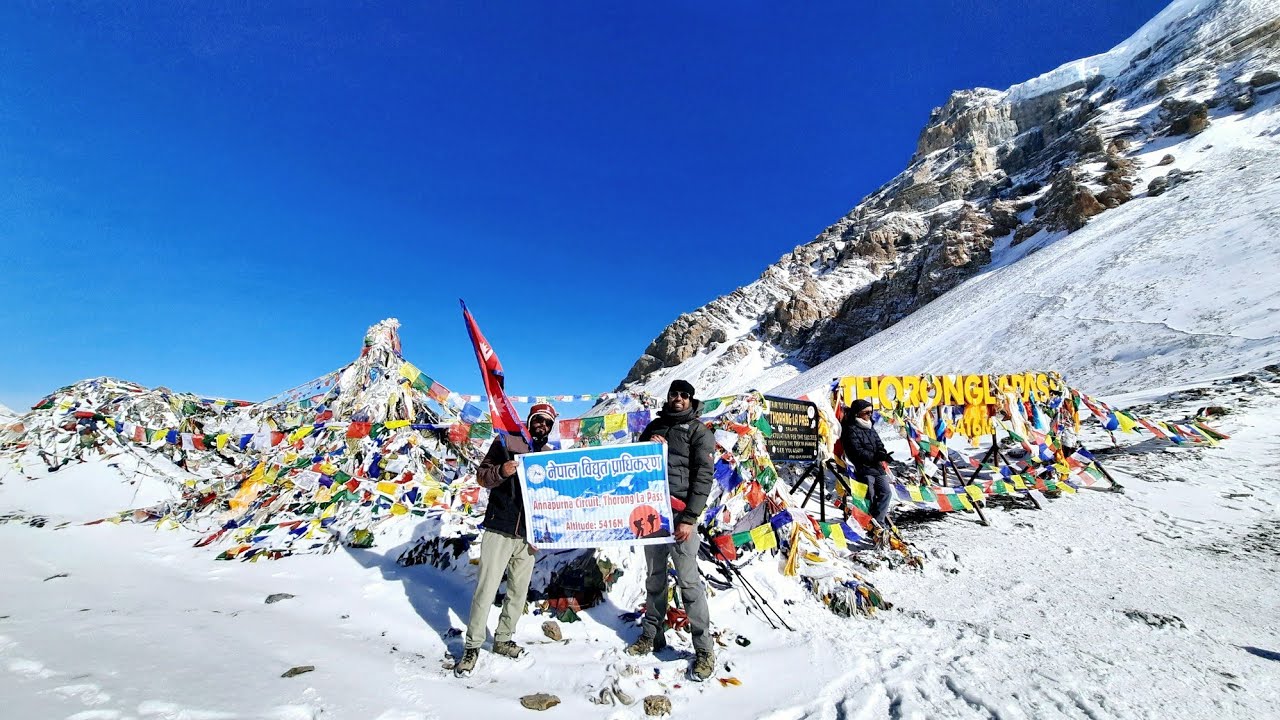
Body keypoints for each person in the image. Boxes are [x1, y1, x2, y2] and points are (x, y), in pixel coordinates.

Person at [454, 402, 558, 678]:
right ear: (530, 420)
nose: (542, 426)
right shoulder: (505, 442)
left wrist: (544, 531)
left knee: (518, 592)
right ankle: (472, 646)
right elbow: (482, 476)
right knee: (486, 590)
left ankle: (503, 638)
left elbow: (552, 498)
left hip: (529, 537)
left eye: (547, 423)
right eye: (538, 420)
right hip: (499, 529)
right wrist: (503, 470)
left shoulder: (549, 455)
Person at [626, 379, 717, 682]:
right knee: (654, 577)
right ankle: (652, 634)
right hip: (652, 515)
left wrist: (690, 518)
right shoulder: (654, 426)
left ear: (691, 399)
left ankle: (703, 649)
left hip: (681, 518)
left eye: (684, 395)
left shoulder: (699, 432)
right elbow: (633, 464)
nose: (678, 398)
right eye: (673, 394)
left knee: (689, 584)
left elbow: (704, 478)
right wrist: (646, 448)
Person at [839, 399, 893, 528]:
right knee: (870, 495)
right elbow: (856, 451)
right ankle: (868, 522)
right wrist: (875, 457)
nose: (870, 415)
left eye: (871, 412)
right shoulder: (850, 429)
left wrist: (883, 454)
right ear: (857, 413)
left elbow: (879, 443)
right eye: (866, 412)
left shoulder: (870, 426)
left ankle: (877, 522)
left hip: (877, 467)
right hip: (862, 467)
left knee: (886, 492)